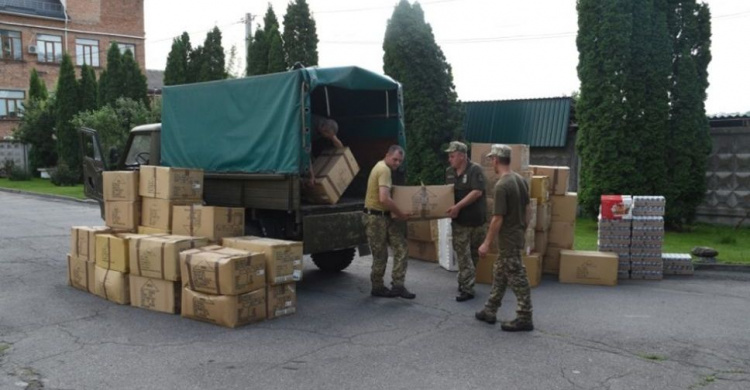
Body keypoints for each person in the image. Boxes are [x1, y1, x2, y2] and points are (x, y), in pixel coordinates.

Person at [475, 144, 534, 332]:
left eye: (492, 159)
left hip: (508, 239)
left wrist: (486, 243)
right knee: (500, 272)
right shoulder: (520, 180)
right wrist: (522, 228)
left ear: (496, 160)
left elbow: (497, 218)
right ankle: (490, 310)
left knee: (517, 276)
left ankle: (525, 316)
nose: (492, 162)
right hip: (516, 235)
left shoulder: (502, 185)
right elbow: (528, 209)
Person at [363, 145, 415, 299]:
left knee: (401, 247)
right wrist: (401, 214)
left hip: (384, 216)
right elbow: (384, 198)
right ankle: (377, 287)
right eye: (395, 159)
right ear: (387, 155)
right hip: (375, 218)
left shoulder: (383, 168)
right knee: (381, 254)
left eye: (400, 161)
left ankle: (398, 285)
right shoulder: (384, 169)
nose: (397, 163)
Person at [444, 141, 487, 302]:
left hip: (477, 221)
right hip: (460, 223)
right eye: (449, 156)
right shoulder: (449, 172)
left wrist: (457, 206)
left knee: (474, 254)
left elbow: (477, 192)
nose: (450, 159)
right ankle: (467, 289)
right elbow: (446, 193)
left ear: (462, 156)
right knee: (463, 255)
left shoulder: (475, 170)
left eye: (452, 156)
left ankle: (464, 281)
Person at [307, 114, 344, 186]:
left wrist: (333, 138)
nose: (329, 138)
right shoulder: (309, 128)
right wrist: (311, 176)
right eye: (328, 136)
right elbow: (306, 154)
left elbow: (339, 145)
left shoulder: (327, 124)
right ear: (323, 130)